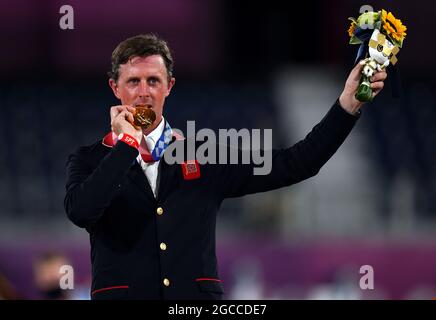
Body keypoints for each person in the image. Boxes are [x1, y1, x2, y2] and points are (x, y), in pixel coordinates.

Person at [64, 33, 387, 300]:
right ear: (114, 88)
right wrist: (126, 146)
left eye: (153, 80)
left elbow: (297, 163)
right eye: (133, 81)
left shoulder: (204, 155)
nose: (144, 92)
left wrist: (347, 106)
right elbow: (82, 211)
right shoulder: (89, 159)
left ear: (170, 86)